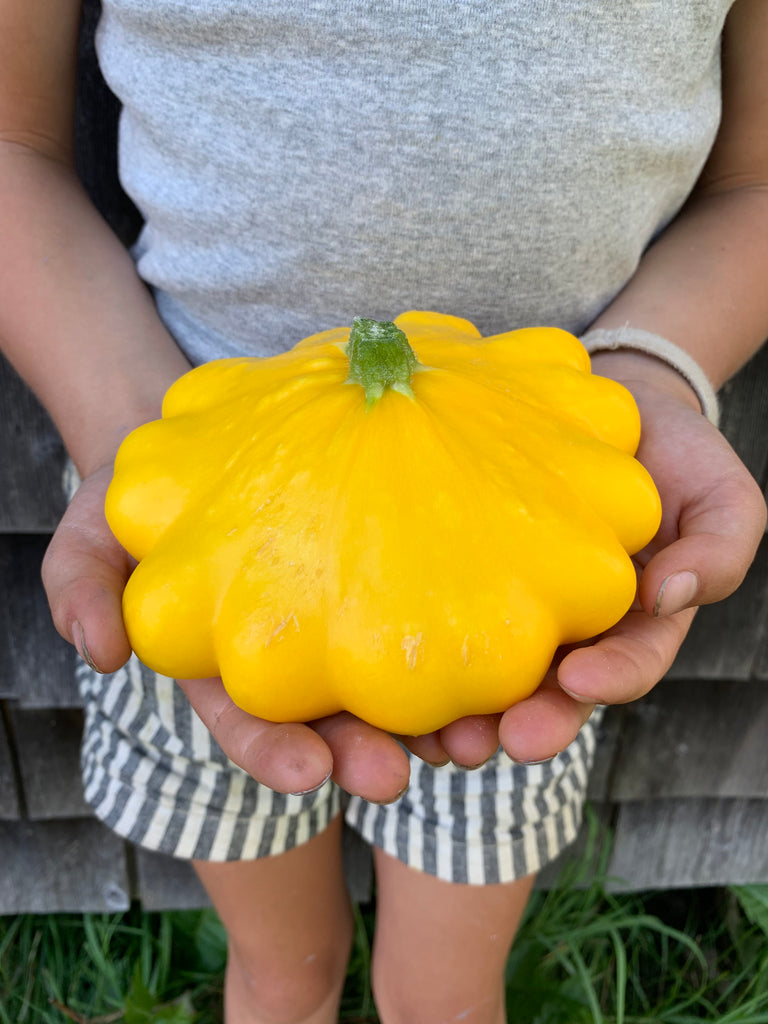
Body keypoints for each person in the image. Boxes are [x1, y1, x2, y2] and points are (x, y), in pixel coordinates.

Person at [2, 1, 767, 1021]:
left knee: (445, 996)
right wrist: (123, 428)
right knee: (285, 975)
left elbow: (754, 178)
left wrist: (654, 376)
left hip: (520, 594)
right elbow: (15, 141)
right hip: (203, 552)